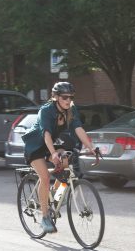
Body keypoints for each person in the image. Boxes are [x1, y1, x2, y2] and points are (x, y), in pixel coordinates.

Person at [22, 81, 95, 233]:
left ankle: (55, 198)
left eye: (71, 97)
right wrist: (53, 153)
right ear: (56, 97)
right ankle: (44, 217)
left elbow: (78, 128)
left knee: (66, 163)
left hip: (51, 145)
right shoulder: (46, 110)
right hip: (35, 146)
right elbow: (46, 134)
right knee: (45, 177)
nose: (68, 100)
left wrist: (91, 147)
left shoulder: (71, 109)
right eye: (65, 97)